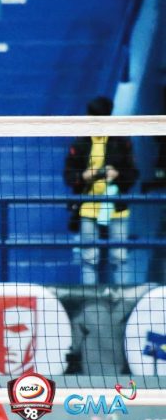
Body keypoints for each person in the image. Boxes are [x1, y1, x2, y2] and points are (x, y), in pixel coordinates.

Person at [63, 97, 139, 285]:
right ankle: (89, 300)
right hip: (88, 206)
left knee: (119, 256)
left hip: (116, 207)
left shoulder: (121, 142)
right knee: (89, 257)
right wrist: (84, 176)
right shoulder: (80, 143)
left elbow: (133, 173)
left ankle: (123, 300)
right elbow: (68, 175)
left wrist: (117, 175)